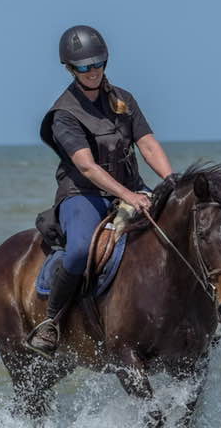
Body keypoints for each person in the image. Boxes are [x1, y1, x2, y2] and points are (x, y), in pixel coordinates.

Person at [27, 25, 175, 358]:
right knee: (79, 251)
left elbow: (147, 144)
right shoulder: (63, 114)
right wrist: (129, 195)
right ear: (69, 68)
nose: (92, 71)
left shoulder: (123, 99)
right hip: (83, 194)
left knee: (178, 230)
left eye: (98, 63)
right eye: (83, 67)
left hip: (131, 188)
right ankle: (52, 322)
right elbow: (87, 167)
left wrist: (171, 180)